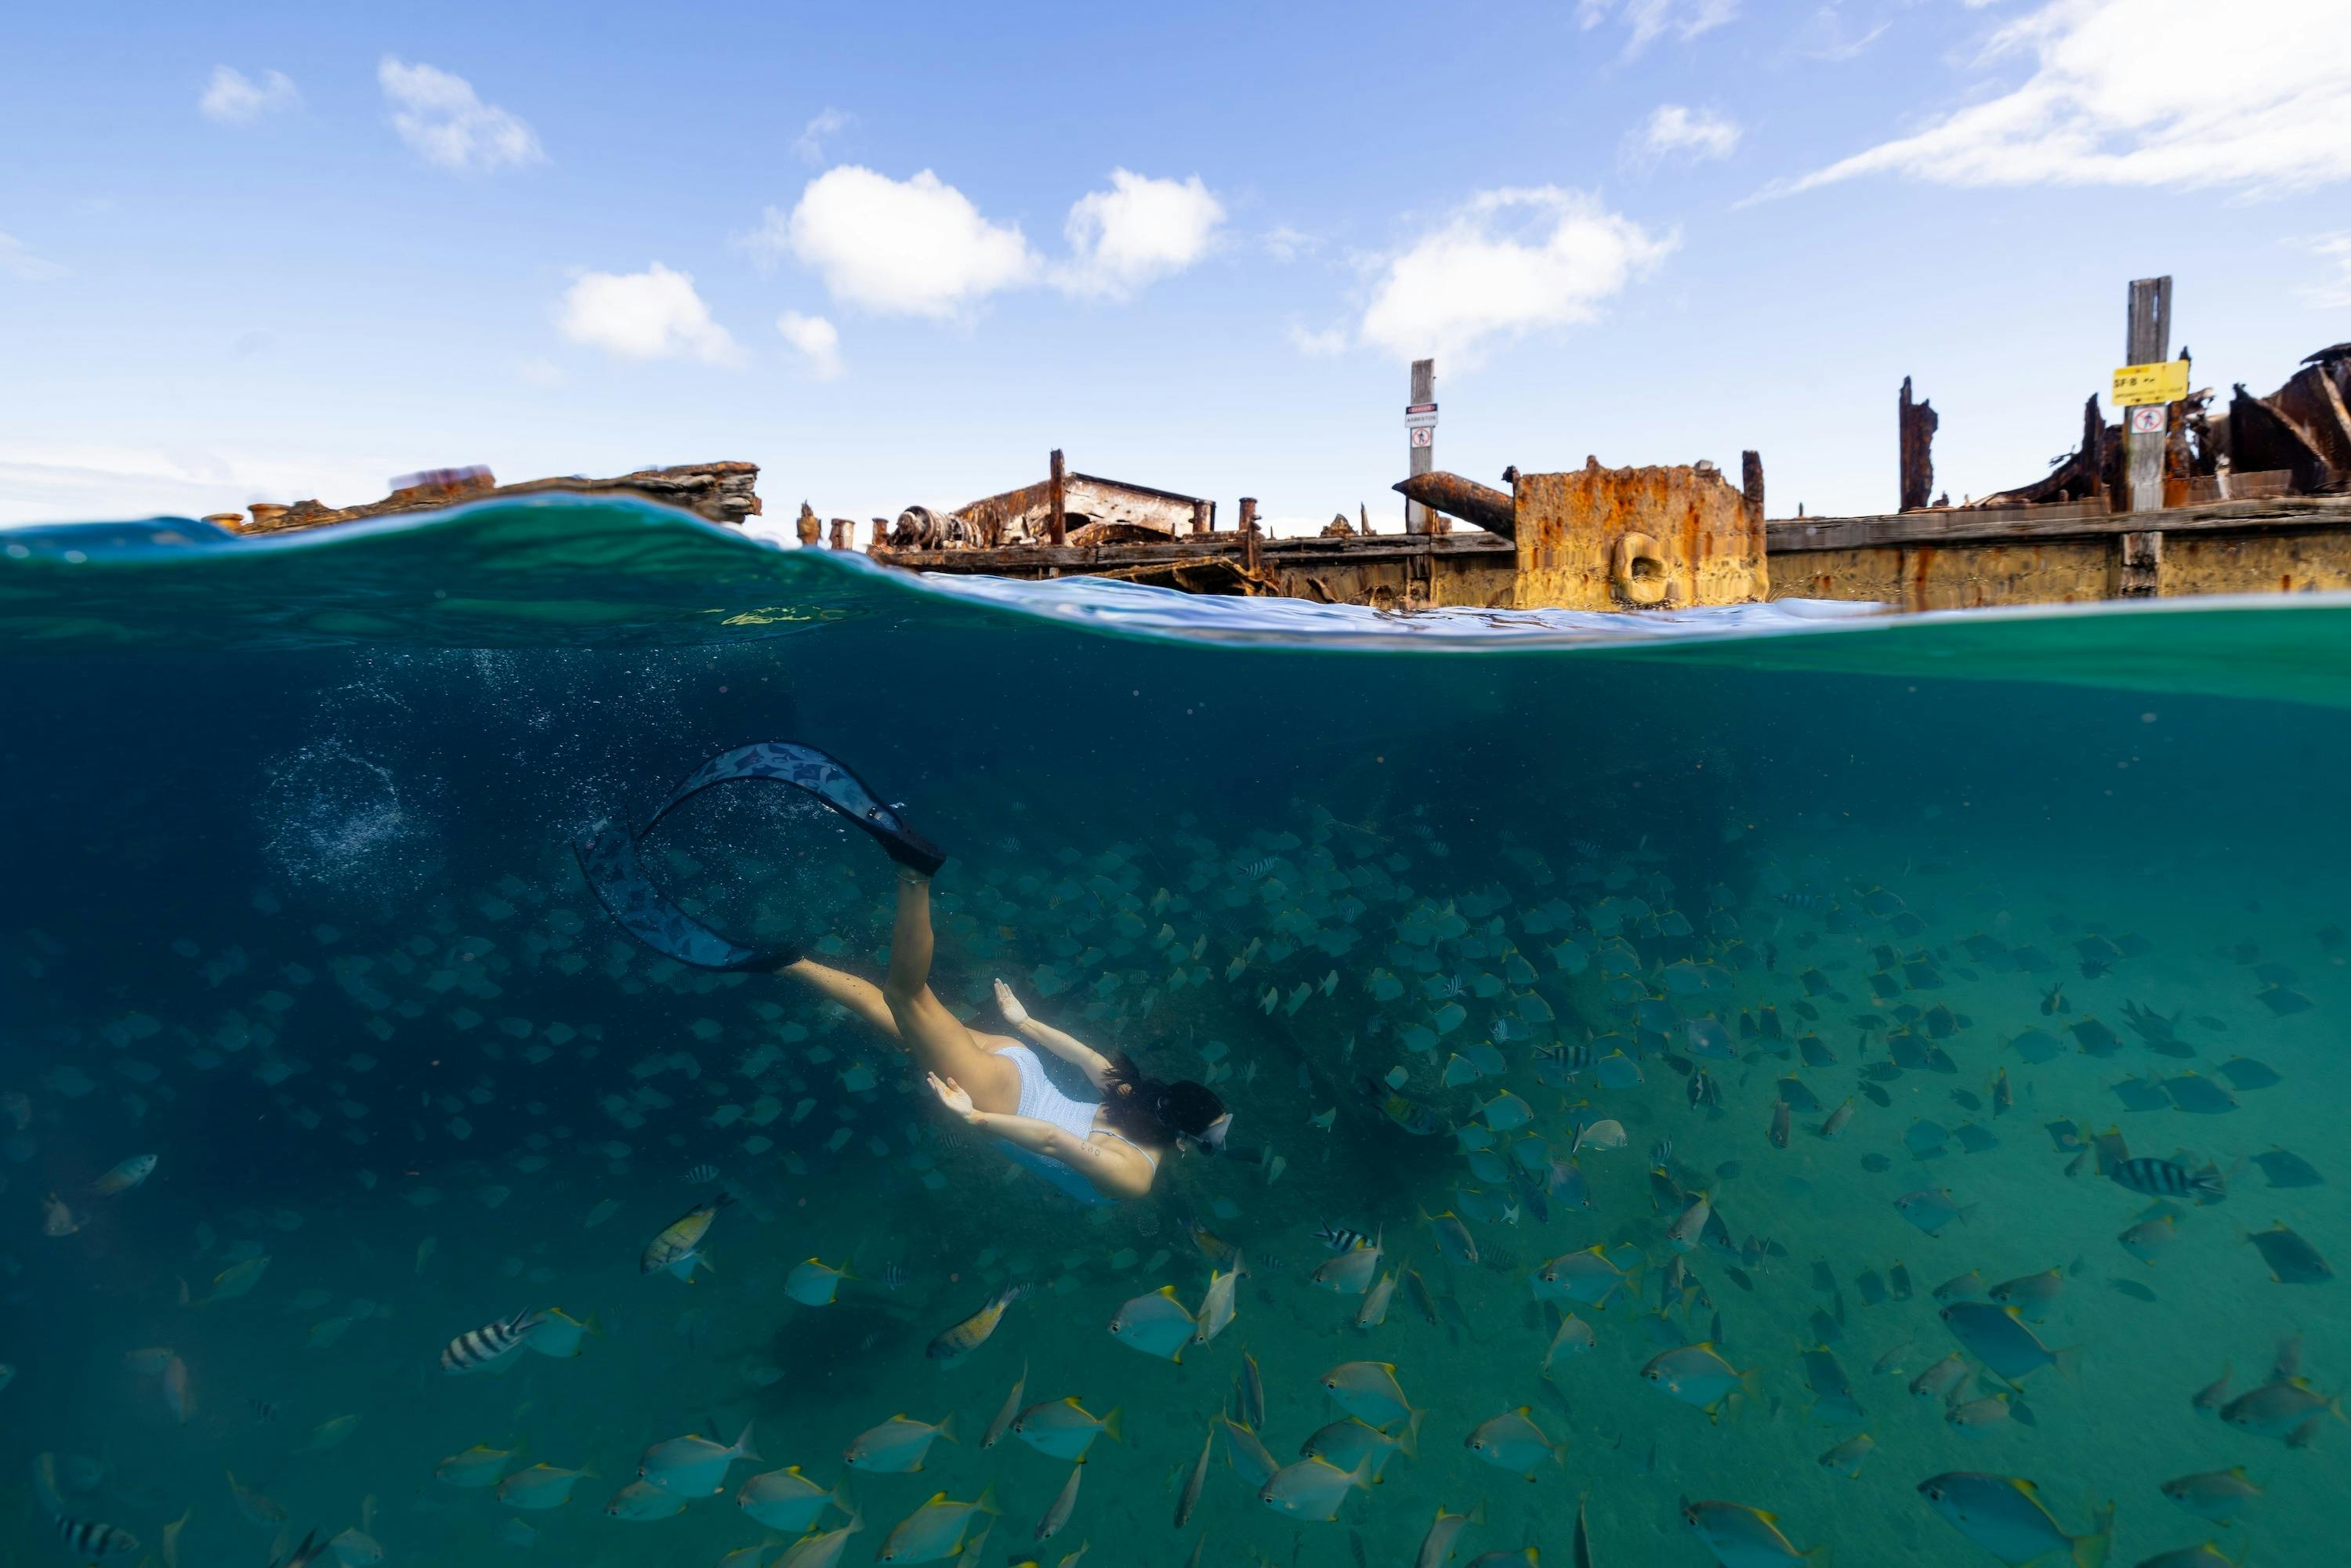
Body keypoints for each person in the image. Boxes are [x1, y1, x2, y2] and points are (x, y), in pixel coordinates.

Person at [781, 866, 1230, 1204]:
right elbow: (1055, 1142)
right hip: (997, 1099)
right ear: (1182, 1141)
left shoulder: (1135, 1097)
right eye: (1209, 1143)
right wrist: (977, 1119)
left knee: (903, 1025)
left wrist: (1024, 1024)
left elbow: (1085, 1057)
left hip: (1017, 1062)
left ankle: (786, 962)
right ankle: (914, 876)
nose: (1212, 1147)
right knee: (907, 996)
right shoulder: (1136, 1176)